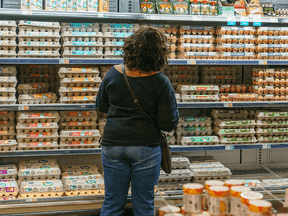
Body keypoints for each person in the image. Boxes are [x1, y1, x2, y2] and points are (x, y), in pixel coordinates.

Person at [96, 26, 179, 216]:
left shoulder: (113, 73)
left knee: (112, 203)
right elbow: (168, 123)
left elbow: (101, 106)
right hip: (146, 147)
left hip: (113, 144)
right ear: (159, 53)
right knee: (143, 205)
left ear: (130, 48)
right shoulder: (161, 81)